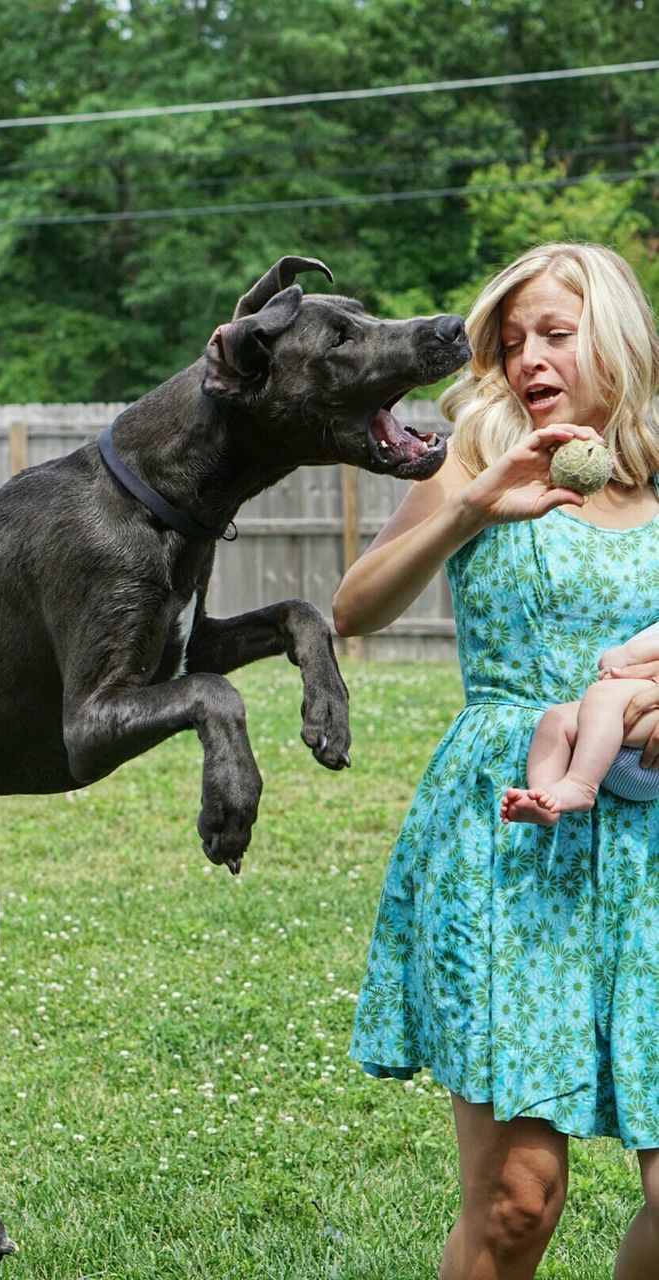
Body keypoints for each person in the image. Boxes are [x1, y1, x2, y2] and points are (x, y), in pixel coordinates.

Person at [332, 241, 659, 1280]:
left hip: (648, 838)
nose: (530, 359)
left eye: (556, 333)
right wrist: (475, 503)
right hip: (509, 831)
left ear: (615, 337)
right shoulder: (475, 455)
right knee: (520, 1200)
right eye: (513, 342)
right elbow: (355, 607)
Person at [500, 619, 659, 823]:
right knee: (557, 718)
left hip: (646, 737)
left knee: (602, 695)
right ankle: (542, 796)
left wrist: (626, 655)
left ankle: (581, 785)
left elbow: (622, 657)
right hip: (610, 746)